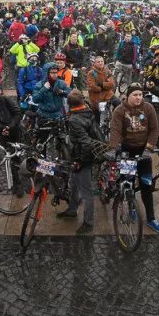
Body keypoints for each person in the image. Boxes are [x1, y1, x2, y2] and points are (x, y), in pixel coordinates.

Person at [108, 82, 159, 233]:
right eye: (135, 95)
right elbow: (115, 130)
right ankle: (132, 207)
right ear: (128, 96)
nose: (138, 98)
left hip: (144, 151)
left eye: (140, 95)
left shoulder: (148, 108)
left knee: (147, 185)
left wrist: (149, 147)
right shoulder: (120, 110)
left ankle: (151, 218)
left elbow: (154, 129)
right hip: (127, 151)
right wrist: (113, 148)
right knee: (128, 181)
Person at [56, 90, 98, 235]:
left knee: (86, 193)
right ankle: (72, 210)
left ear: (69, 105)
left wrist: (80, 161)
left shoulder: (74, 120)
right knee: (73, 185)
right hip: (82, 156)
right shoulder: (87, 110)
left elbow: (85, 143)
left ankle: (88, 222)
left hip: (82, 158)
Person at [86, 56, 116, 122]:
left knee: (118, 103)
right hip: (96, 97)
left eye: (101, 61)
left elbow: (111, 84)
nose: (100, 63)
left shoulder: (107, 71)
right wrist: (104, 87)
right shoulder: (91, 73)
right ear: (95, 63)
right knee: (97, 119)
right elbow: (92, 86)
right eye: (98, 62)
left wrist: (101, 84)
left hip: (108, 94)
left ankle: (114, 119)